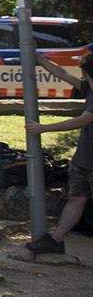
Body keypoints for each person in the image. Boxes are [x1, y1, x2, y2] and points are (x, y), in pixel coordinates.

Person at [24, 48, 93, 256]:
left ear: (86, 73)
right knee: (76, 198)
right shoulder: (88, 88)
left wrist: (43, 128)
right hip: (84, 159)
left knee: (78, 199)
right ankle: (55, 240)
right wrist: (38, 58)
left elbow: (83, 120)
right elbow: (61, 73)